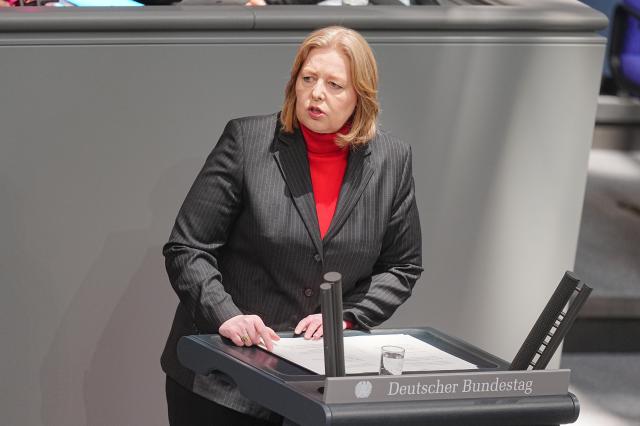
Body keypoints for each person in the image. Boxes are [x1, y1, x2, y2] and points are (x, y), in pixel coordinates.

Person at [162, 25, 423, 426]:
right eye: (308, 78)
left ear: (361, 97)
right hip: (224, 380)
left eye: (335, 85)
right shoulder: (247, 142)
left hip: (316, 385)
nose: (317, 93)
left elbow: (402, 266)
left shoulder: (392, 160)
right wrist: (225, 314)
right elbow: (187, 248)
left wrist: (348, 316)